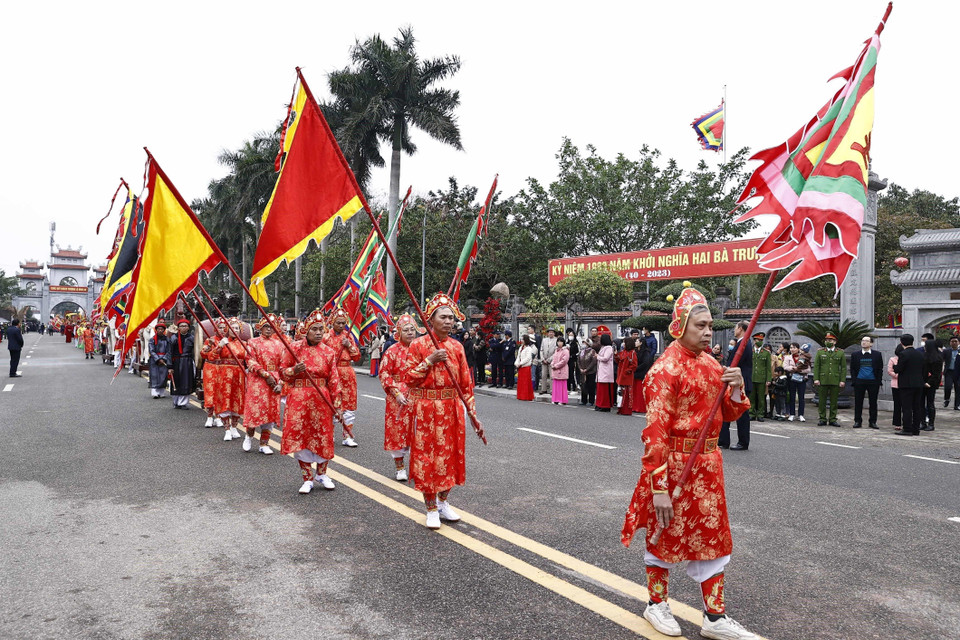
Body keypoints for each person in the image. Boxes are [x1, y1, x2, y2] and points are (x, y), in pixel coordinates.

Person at [621, 287, 755, 640]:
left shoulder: (713, 365)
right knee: (664, 534)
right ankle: (656, 603)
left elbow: (727, 413)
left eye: (711, 325)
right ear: (680, 326)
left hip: (709, 466)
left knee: (713, 538)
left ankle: (715, 617)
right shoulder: (664, 371)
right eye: (701, 325)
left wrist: (737, 387)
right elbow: (654, 435)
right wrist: (659, 489)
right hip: (675, 463)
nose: (709, 331)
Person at [404, 293, 481, 529]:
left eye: (451, 318)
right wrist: (429, 361)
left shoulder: (457, 347)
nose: (448, 322)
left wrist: (473, 415)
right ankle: (430, 508)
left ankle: (443, 501)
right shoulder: (418, 345)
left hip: (451, 409)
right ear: (431, 319)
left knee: (450, 456)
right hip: (426, 409)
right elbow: (408, 378)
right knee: (428, 458)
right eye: (443, 317)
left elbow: (466, 384)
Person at [280, 309, 343, 494]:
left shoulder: (329, 352)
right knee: (301, 436)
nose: (318, 333)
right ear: (306, 331)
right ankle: (307, 478)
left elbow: (334, 381)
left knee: (323, 435)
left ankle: (322, 474)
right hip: (299, 397)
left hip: (321, 398)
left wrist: (337, 406)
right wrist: (294, 370)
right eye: (314, 329)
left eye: (321, 330)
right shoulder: (294, 348)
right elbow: (283, 372)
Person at [379, 314, 420, 480]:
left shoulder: (422, 349)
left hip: (418, 395)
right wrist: (396, 392)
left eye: (412, 329)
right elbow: (384, 373)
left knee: (418, 432)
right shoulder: (392, 351)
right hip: (398, 397)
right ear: (399, 333)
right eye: (406, 330)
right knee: (398, 432)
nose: (410, 333)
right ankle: (400, 468)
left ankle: (417, 468)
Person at [241, 314, 285, 454]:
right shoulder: (252, 342)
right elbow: (250, 361)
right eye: (266, 326)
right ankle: (249, 436)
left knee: (271, 413)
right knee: (255, 410)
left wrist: (281, 382)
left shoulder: (279, 344)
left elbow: (284, 364)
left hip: (275, 379)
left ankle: (264, 443)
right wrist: (265, 375)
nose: (268, 329)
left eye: (271, 327)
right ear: (260, 328)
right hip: (258, 380)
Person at [201, 318, 247, 442]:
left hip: (239, 375)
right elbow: (210, 356)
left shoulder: (244, 343)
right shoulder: (222, 342)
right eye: (231, 328)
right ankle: (226, 429)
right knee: (225, 399)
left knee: (237, 399)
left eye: (237, 328)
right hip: (225, 373)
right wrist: (219, 346)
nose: (234, 330)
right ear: (227, 329)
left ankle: (234, 427)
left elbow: (249, 359)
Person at [322, 307, 362, 447]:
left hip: (348, 374)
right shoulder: (326, 337)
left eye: (343, 323)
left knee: (349, 406)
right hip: (332, 372)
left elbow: (357, 356)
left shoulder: (348, 335)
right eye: (338, 322)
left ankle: (347, 436)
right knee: (332, 405)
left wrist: (349, 345)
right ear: (332, 322)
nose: (341, 325)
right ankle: (329, 435)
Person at [719, 320, 752, 451]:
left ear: (741, 328)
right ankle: (723, 440)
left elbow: (734, 363)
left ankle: (742, 442)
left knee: (742, 414)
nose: (734, 330)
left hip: (739, 383)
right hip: (737, 382)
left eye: (735, 327)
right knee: (727, 409)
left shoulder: (743, 343)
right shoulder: (742, 343)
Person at [893, 334, 925, 436]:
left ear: (902, 343)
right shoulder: (920, 354)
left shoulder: (903, 354)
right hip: (919, 383)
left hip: (906, 384)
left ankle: (907, 429)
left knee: (907, 407)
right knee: (917, 407)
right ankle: (916, 429)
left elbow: (898, 369)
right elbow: (924, 370)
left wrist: (895, 366)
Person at [813, 332, 846, 427]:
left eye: (830, 340)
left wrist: (842, 380)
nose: (828, 342)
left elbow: (843, 368)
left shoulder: (840, 352)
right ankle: (822, 418)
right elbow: (817, 366)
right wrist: (816, 379)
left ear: (835, 342)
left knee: (834, 401)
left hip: (835, 380)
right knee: (822, 401)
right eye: (827, 340)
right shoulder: (820, 352)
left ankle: (832, 419)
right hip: (823, 380)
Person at [850, 336, 883, 429]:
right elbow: (852, 369)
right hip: (859, 381)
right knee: (858, 402)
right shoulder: (855, 354)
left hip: (873, 382)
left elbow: (880, 369)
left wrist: (878, 381)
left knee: (873, 403)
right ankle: (857, 421)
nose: (864, 342)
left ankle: (872, 421)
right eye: (862, 341)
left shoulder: (877, 354)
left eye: (866, 341)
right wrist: (854, 380)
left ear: (871, 344)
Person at [169, 318, 196, 409]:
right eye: (181, 326)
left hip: (187, 362)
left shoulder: (192, 338)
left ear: (188, 327)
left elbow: (195, 352)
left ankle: (183, 403)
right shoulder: (173, 338)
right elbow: (169, 353)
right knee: (176, 382)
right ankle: (176, 402)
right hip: (176, 362)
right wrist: (169, 366)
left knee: (186, 382)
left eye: (185, 326)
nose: (183, 327)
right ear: (178, 328)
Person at [782, 343, 810, 422]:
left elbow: (808, 369)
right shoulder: (788, 357)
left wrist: (800, 370)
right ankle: (792, 414)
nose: (792, 349)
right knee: (792, 397)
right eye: (791, 348)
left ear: (798, 348)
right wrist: (793, 368)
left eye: (794, 348)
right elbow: (785, 367)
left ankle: (801, 414)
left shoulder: (804, 357)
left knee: (801, 397)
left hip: (801, 379)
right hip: (792, 379)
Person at [921, 339, 944, 431]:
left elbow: (936, 374)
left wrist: (929, 383)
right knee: (920, 404)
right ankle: (922, 422)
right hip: (922, 382)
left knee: (930, 403)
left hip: (931, 384)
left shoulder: (938, 358)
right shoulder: (924, 356)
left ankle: (931, 423)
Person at [748, 333, 771, 422]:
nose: (760, 342)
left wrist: (768, 379)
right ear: (754, 340)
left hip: (762, 378)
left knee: (761, 398)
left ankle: (760, 414)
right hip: (752, 377)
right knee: (751, 397)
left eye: (761, 340)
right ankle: (751, 413)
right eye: (758, 340)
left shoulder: (766, 353)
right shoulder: (750, 351)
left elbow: (768, 367)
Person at [147, 321, 170, 398]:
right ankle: (154, 392)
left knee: (163, 376)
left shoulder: (167, 339)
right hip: (154, 360)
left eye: (162, 329)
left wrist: (164, 358)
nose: (160, 330)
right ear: (156, 330)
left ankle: (162, 392)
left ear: (164, 330)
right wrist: (157, 359)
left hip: (164, 359)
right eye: (159, 329)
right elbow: (151, 350)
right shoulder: (152, 339)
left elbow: (169, 350)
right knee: (154, 375)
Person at [617, 337, 638, 415]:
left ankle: (626, 410)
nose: (623, 344)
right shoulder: (623, 352)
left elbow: (634, 365)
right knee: (621, 393)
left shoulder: (632, 353)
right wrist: (616, 355)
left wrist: (627, 371)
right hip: (621, 374)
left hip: (627, 376)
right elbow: (618, 360)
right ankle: (620, 408)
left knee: (627, 393)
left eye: (624, 342)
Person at [595, 334, 616, 412]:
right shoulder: (603, 347)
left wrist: (597, 356)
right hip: (601, 370)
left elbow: (606, 358)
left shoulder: (609, 348)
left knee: (604, 390)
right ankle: (599, 404)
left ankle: (605, 405)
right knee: (600, 390)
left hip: (606, 371)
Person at [633, 337, 654, 414]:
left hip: (642, 373)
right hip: (635, 373)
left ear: (641, 343)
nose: (635, 342)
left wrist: (636, 368)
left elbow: (645, 363)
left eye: (637, 341)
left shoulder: (646, 352)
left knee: (640, 391)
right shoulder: (635, 351)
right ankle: (634, 406)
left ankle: (640, 407)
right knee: (635, 391)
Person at [515, 334, 536, 402]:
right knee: (521, 382)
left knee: (526, 382)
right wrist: (516, 363)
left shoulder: (529, 348)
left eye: (523, 339)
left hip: (526, 366)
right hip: (521, 367)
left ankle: (526, 396)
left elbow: (528, 358)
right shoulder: (521, 347)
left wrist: (520, 363)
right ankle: (520, 395)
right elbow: (519, 356)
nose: (521, 341)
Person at [550, 336, 570, 405]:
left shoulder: (566, 351)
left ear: (563, 342)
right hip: (555, 370)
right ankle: (555, 399)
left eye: (561, 341)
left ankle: (562, 400)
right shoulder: (556, 350)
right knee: (555, 385)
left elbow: (564, 361)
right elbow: (554, 359)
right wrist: (552, 364)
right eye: (558, 341)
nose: (559, 343)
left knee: (562, 385)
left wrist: (556, 366)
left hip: (562, 369)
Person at [887, 345, 903, 429]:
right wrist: (899, 376)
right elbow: (890, 371)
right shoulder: (892, 359)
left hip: (905, 384)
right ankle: (897, 423)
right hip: (895, 384)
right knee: (897, 405)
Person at [578, 339, 598, 406]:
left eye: (585, 343)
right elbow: (578, 360)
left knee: (591, 386)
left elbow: (593, 362)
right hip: (582, 372)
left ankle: (591, 401)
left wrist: (587, 369)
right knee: (583, 386)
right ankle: (583, 400)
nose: (584, 344)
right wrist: (580, 368)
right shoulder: (581, 351)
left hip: (591, 372)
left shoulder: (592, 351)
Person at [539, 328, 558, 395]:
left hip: (551, 361)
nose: (551, 333)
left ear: (554, 333)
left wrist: (549, 359)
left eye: (552, 332)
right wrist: (542, 359)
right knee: (543, 375)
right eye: (549, 332)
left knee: (552, 376)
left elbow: (556, 352)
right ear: (547, 333)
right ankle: (543, 389)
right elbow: (541, 350)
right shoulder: (544, 340)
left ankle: (552, 390)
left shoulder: (556, 340)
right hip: (544, 360)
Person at [943, 336, 959, 410]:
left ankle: (957, 405)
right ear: (950, 343)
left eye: (955, 341)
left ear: (958, 342)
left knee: (958, 388)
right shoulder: (946, 351)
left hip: (958, 372)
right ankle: (947, 399)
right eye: (952, 341)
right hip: (949, 372)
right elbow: (941, 360)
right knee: (948, 387)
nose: (954, 343)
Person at [566, 328, 580, 393]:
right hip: (567, 360)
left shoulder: (576, 343)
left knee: (572, 374)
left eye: (571, 335)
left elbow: (578, 352)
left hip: (573, 360)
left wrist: (572, 356)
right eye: (569, 335)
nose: (570, 336)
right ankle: (567, 387)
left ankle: (574, 387)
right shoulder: (567, 342)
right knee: (567, 374)